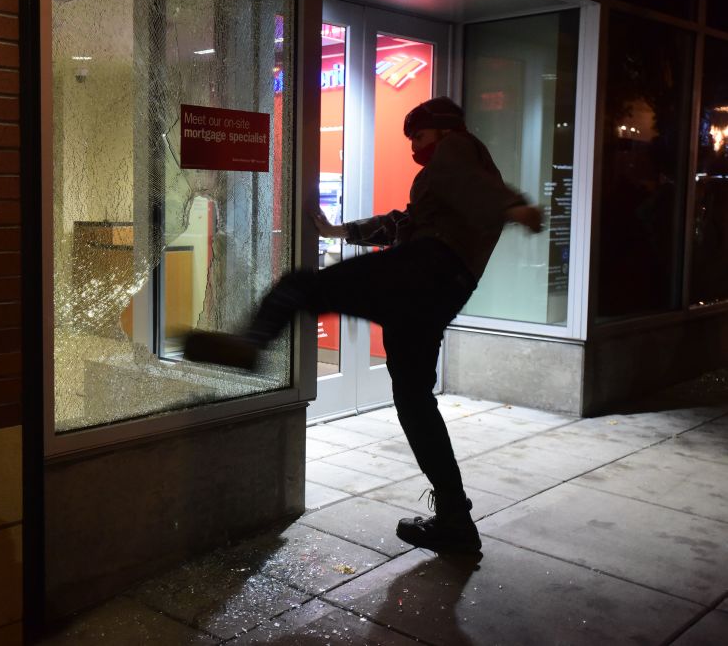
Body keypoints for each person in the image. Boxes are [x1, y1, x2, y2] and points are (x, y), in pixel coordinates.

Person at [183, 97, 543, 554]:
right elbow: (403, 222)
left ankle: (252, 343)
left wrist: (515, 206)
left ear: (444, 129)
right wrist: (339, 233)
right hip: (441, 294)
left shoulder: (458, 150)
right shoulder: (452, 180)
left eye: (419, 133)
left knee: (299, 287)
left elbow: (468, 184)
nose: (414, 143)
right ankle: (455, 519)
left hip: (424, 270)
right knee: (414, 400)